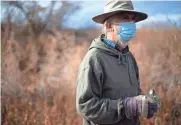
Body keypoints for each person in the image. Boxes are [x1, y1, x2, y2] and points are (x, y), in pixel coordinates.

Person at [76, 0, 158, 125]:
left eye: (133, 19)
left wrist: (143, 104)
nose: (131, 23)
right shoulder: (94, 59)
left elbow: (132, 95)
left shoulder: (129, 57)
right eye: (125, 18)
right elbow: (86, 106)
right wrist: (125, 107)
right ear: (109, 26)